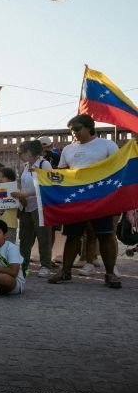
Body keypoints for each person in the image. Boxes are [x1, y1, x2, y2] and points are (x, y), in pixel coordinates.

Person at [49, 114, 121, 288]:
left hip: (100, 198)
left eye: (76, 128)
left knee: (105, 235)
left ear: (89, 127)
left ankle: (110, 274)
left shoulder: (107, 145)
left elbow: (119, 168)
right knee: (72, 236)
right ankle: (65, 272)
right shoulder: (68, 149)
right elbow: (62, 174)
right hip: (77, 198)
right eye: (70, 130)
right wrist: (42, 176)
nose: (73, 132)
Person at [10, 140, 53, 277]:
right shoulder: (25, 166)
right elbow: (24, 185)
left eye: (20, 153)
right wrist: (21, 196)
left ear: (28, 152)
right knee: (25, 238)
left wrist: (25, 194)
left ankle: (45, 265)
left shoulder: (44, 164)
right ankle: (24, 265)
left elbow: (47, 185)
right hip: (26, 206)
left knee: (43, 237)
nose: (19, 156)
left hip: (40, 207)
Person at [0, 167, 18, 244]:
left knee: (8, 247)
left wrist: (22, 197)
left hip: (9, 225)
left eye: (3, 177)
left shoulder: (16, 191)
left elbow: (23, 206)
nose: (0, 179)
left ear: (10, 179)